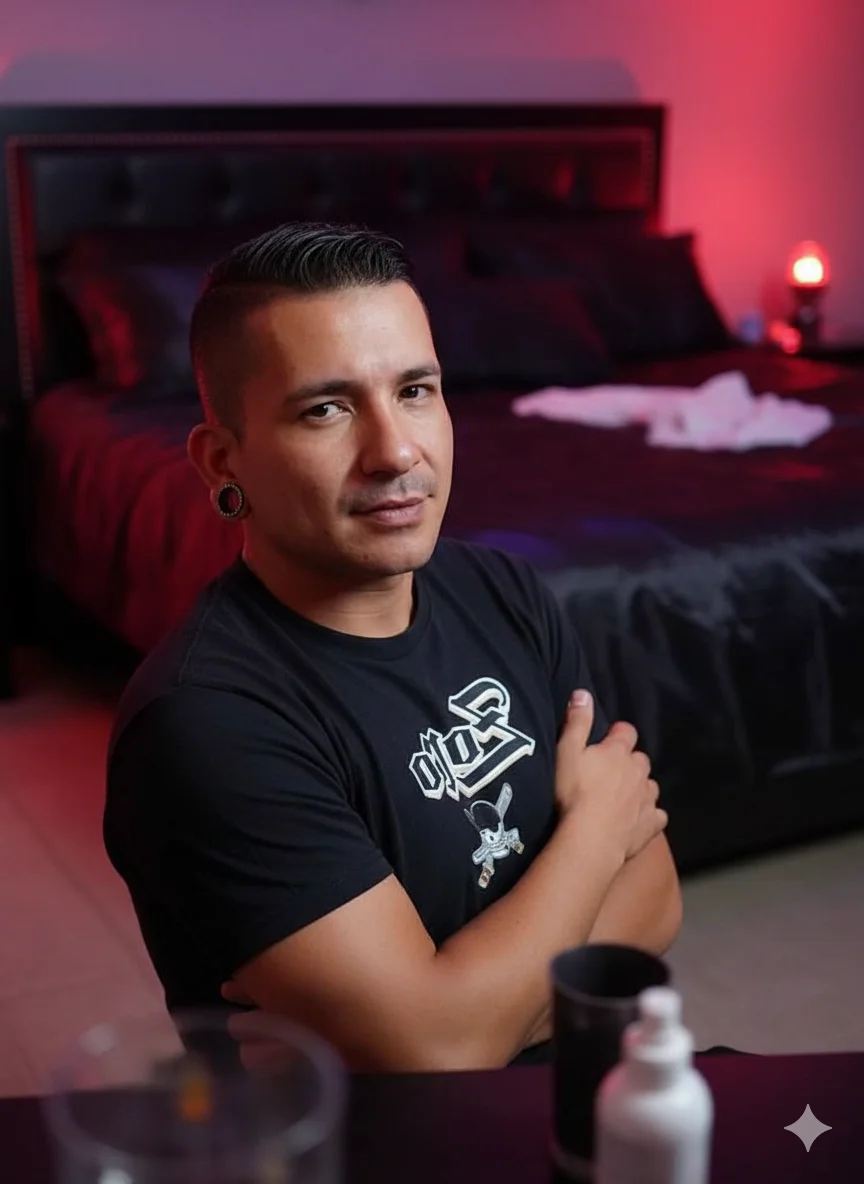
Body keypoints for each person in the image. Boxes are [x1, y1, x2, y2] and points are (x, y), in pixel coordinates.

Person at [104, 222, 682, 1074]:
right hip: (393, 1142)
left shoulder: (504, 593)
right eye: (326, 409)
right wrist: (596, 832)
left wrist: (466, 1016)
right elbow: (436, 1055)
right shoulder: (204, 722)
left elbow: (660, 898)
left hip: (596, 1089)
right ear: (223, 461)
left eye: (415, 390)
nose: (396, 451)